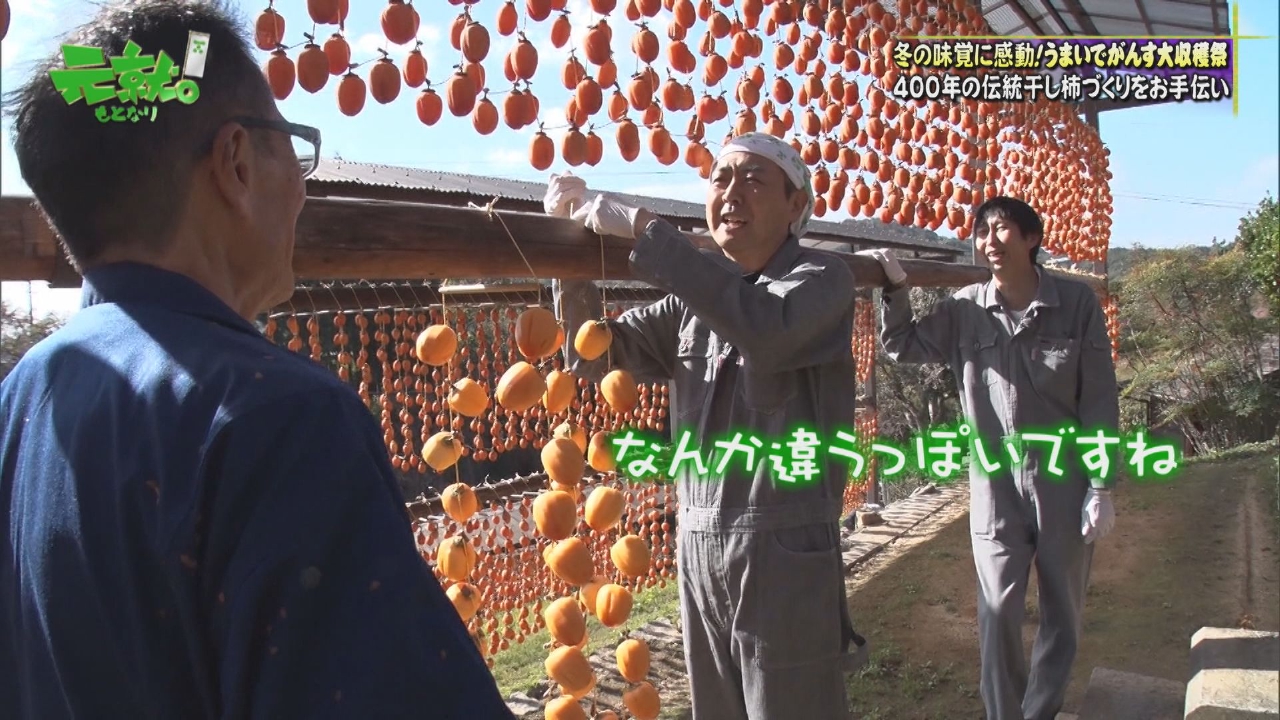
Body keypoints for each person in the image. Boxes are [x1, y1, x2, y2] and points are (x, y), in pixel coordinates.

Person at [0, 2, 512, 718]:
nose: (301, 186)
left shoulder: (24, 395)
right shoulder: (272, 416)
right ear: (235, 162)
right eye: (290, 144)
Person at [545, 132, 868, 720]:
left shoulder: (822, 279)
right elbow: (594, 357)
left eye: (753, 179)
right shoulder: (692, 305)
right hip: (697, 544)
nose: (730, 193)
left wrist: (648, 231)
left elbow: (768, 330)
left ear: (797, 206)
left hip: (783, 549)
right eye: (721, 179)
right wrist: (569, 262)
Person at [860, 197, 1118, 720]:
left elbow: (1098, 398)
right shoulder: (964, 310)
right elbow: (902, 345)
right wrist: (894, 290)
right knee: (997, 613)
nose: (989, 240)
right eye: (982, 231)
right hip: (994, 484)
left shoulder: (1075, 304)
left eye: (1002, 229)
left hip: (1063, 481)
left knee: (1061, 613)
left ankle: (1040, 711)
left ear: (1030, 239)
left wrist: (1102, 484)